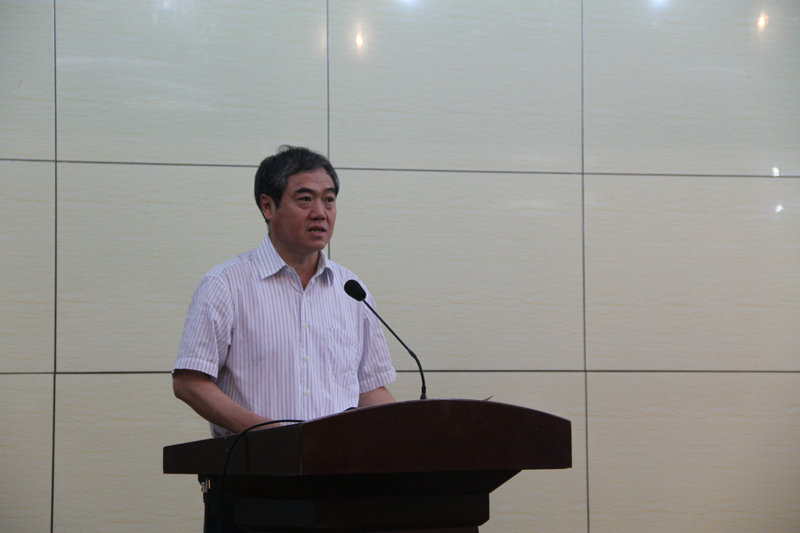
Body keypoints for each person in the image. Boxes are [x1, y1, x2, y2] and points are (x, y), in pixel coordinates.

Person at [172, 146, 397, 532]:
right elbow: (190, 382)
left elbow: (370, 390)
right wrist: (270, 435)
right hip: (253, 487)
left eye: (329, 200)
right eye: (305, 199)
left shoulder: (351, 290)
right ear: (268, 206)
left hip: (342, 487)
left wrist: (407, 436)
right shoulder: (225, 284)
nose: (320, 212)